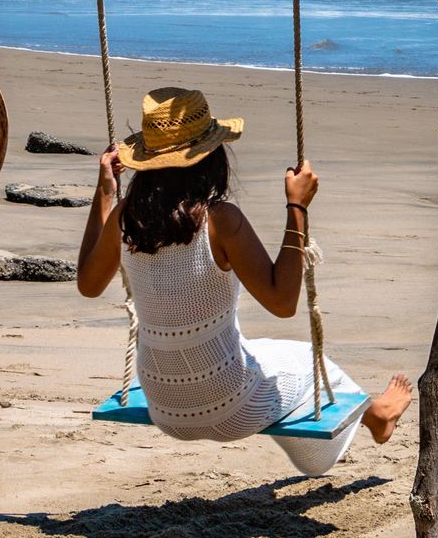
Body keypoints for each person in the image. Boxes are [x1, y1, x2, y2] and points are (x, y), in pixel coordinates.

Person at [76, 86, 413, 475]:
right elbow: (282, 303)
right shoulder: (221, 221)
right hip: (232, 406)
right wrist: (296, 208)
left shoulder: (125, 219)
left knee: (262, 353)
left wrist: (105, 189)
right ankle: (377, 414)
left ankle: (373, 417)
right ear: (210, 157)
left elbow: (89, 283)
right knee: (309, 362)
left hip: (164, 406)